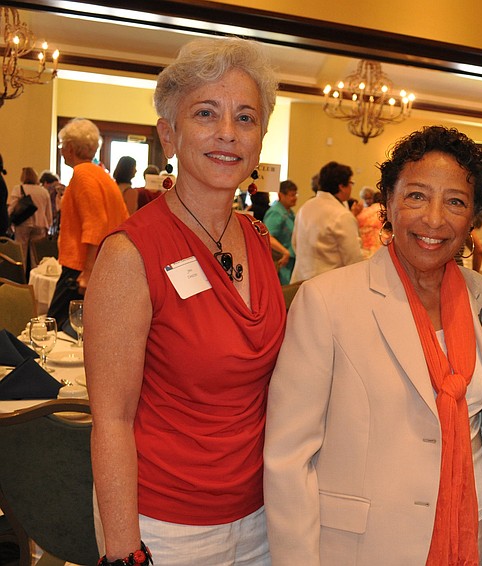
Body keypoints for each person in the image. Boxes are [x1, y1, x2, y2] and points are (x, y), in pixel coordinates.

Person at [264, 126, 482, 565]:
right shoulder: (328, 302)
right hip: (365, 548)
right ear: (388, 205)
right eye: (416, 196)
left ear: (473, 218)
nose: (433, 219)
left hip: (471, 538)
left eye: (455, 202)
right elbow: (288, 458)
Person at [86, 37, 285, 566]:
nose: (228, 132)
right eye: (206, 113)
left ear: (259, 140)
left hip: (262, 517)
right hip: (165, 528)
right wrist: (124, 551)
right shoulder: (131, 253)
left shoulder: (257, 239)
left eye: (245, 118)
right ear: (168, 135)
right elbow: (111, 419)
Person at [47, 118, 128, 330]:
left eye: (62, 145)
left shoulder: (82, 174)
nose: (61, 150)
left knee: (54, 326)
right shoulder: (102, 175)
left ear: (70, 147)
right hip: (104, 263)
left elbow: (96, 224)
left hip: (80, 266)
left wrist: (88, 272)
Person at [290, 160, 362, 281]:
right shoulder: (342, 215)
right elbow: (353, 259)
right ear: (341, 186)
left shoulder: (305, 207)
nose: (351, 187)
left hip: (300, 279)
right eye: (351, 183)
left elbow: (295, 244)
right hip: (326, 283)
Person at [7, 167, 52, 272]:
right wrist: (48, 225)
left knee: (21, 253)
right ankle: (35, 276)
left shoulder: (18, 189)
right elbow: (48, 212)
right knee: (36, 255)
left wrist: (8, 221)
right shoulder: (43, 191)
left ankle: (21, 276)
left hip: (23, 224)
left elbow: (12, 207)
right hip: (40, 225)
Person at [263, 180, 297, 284]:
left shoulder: (289, 212)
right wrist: (285, 252)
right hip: (281, 261)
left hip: (289, 261)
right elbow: (267, 236)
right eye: (292, 195)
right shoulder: (275, 212)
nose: (295, 198)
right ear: (281, 195)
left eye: (295, 194)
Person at [357, 189, 383, 258]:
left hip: (369, 246)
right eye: (365, 199)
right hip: (373, 244)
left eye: (369, 198)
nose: (368, 201)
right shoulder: (361, 210)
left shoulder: (376, 209)